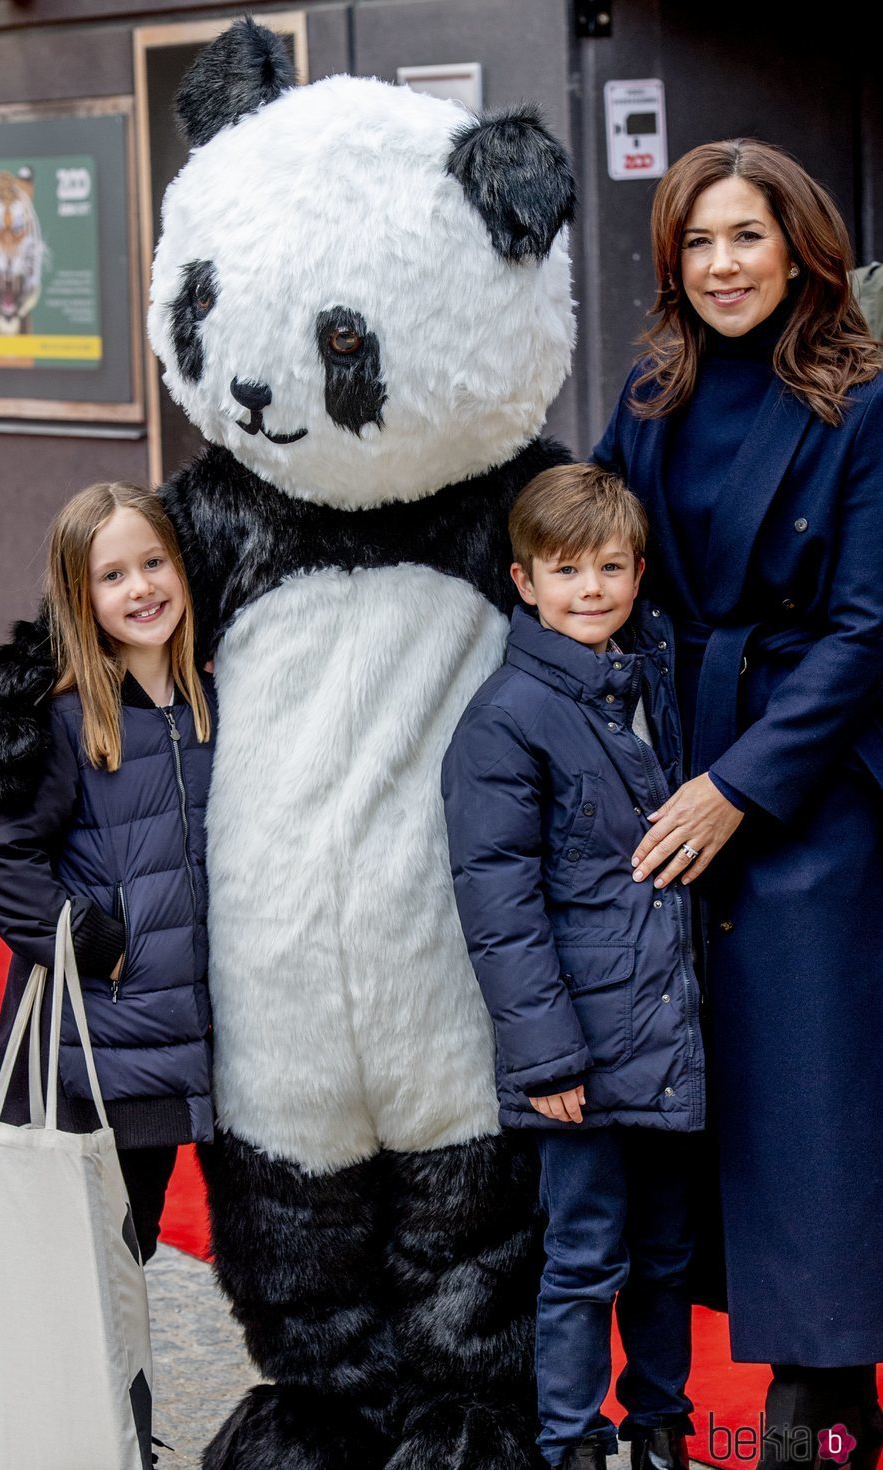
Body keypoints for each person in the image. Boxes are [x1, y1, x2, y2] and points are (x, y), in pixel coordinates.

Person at [592, 138, 883, 1470]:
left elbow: (870, 630)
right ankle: (688, 1382)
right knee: (706, 1092)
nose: (720, 265)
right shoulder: (650, 389)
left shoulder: (863, 400)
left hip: (812, 782)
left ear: (799, 247)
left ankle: (820, 1400)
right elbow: (584, 544)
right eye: (697, 243)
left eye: (745, 238)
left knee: (812, 1092)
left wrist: (743, 786)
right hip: (673, 758)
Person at [442, 463, 705, 1470]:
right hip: (579, 1057)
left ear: (638, 571)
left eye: (608, 568)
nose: (589, 590)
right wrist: (545, 1060)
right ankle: (569, 1441)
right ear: (523, 581)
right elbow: (496, 904)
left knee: (666, 1252)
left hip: (664, 1035)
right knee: (583, 1254)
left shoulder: (648, 683)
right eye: (565, 572)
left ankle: (658, 1424)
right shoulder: (505, 717)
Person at [0, 480, 216, 1263]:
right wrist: (98, 944)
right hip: (107, 1039)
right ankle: (76, 1389)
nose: (141, 587)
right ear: (79, 593)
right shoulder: (68, 717)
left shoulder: (212, 699)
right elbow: (0, 862)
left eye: (154, 562)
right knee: (99, 1253)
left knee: (138, 1241)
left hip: (189, 1034)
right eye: (112, 575)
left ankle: (118, 1387)